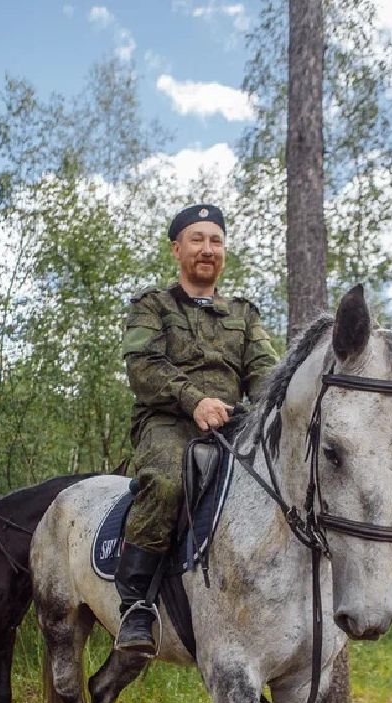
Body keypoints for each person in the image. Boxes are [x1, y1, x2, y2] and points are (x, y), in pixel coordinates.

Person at [115, 203, 279, 654]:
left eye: (216, 241)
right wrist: (194, 400)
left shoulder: (244, 315)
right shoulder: (152, 306)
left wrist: (278, 406)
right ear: (177, 249)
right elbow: (143, 368)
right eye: (197, 239)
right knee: (167, 482)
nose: (208, 249)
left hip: (232, 425)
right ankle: (135, 604)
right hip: (167, 420)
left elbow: (265, 374)